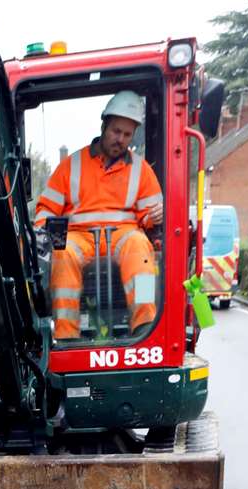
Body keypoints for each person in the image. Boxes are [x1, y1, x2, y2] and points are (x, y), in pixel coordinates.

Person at [35, 91, 164, 340]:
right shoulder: (71, 166)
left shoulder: (141, 170)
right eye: (116, 131)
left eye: (127, 135)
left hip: (124, 237)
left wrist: (155, 216)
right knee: (62, 253)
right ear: (104, 125)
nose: (120, 139)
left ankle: (145, 326)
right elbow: (46, 212)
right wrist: (47, 233)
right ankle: (67, 336)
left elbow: (149, 217)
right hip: (79, 238)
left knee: (142, 250)